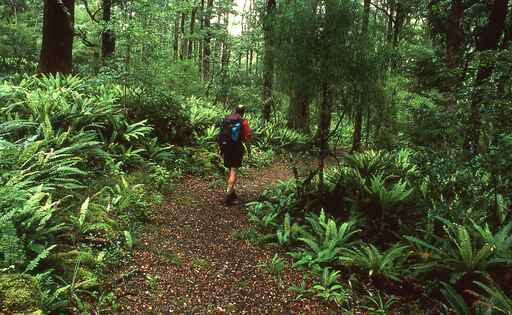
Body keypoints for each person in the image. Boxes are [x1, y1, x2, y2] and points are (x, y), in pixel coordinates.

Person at [218, 104, 252, 205]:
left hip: (225, 148)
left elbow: (221, 134)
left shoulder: (226, 119)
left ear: (235, 110)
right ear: (243, 112)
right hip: (236, 149)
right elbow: (247, 138)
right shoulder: (243, 122)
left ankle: (232, 194)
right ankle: (227, 197)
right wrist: (249, 150)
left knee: (230, 169)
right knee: (233, 170)